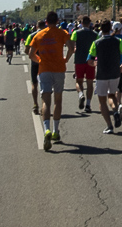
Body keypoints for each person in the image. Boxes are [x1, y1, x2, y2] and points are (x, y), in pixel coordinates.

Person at [30, 11, 74, 151]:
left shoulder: (38, 35)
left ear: (46, 21)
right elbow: (72, 48)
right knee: (58, 100)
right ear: (58, 20)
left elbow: (31, 54)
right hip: (59, 69)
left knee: (45, 101)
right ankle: (56, 131)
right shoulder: (62, 33)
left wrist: (40, 60)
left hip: (44, 70)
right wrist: (66, 59)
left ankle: (46, 130)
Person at [87, 19, 122, 134]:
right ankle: (115, 111)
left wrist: (94, 63)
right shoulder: (118, 41)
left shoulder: (96, 43)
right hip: (114, 73)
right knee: (112, 95)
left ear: (100, 29)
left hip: (102, 74)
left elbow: (90, 60)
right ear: (110, 28)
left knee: (102, 101)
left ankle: (109, 126)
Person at [70, 16, 98, 112]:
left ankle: (81, 94)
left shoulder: (76, 33)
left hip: (79, 60)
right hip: (90, 60)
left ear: (81, 23)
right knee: (90, 83)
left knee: (79, 81)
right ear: (90, 23)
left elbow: (72, 44)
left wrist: (74, 49)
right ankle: (88, 104)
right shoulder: (95, 34)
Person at [23, 21, 43, 114]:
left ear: (36, 26)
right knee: (46, 84)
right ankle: (45, 105)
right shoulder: (49, 34)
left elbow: (26, 50)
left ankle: (35, 104)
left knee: (34, 84)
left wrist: (33, 56)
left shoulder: (31, 36)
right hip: (47, 62)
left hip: (35, 62)